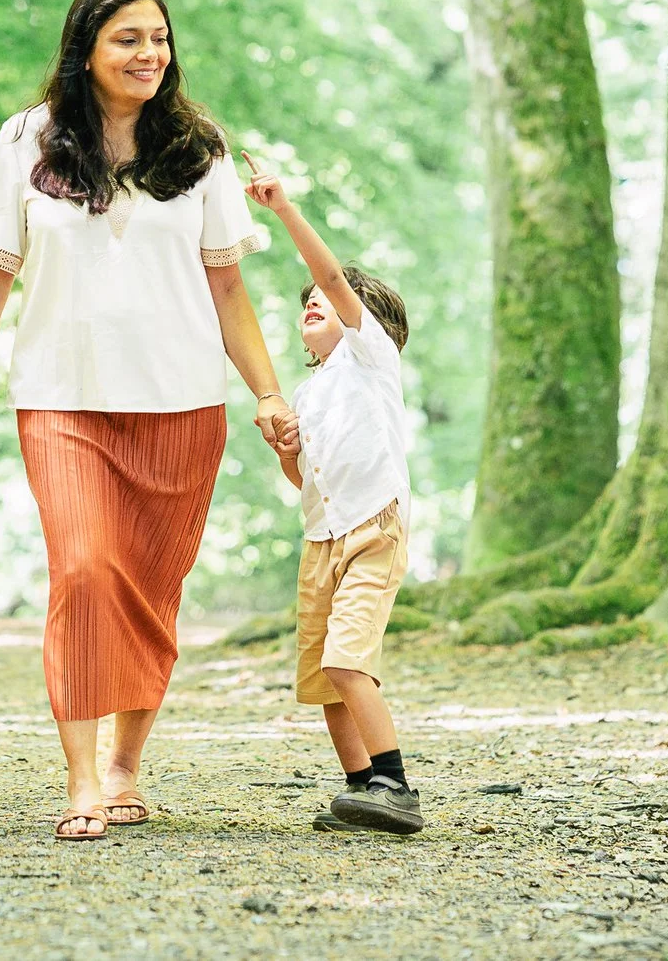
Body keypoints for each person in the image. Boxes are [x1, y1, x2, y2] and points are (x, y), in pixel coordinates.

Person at [0, 0, 287, 841]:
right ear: (86, 48)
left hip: (182, 402)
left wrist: (270, 391)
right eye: (128, 38)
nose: (149, 55)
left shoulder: (198, 149)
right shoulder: (27, 141)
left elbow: (228, 286)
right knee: (87, 571)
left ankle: (130, 760)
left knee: (152, 589)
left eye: (159, 38)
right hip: (62, 397)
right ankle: (83, 778)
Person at [242, 157, 422, 836]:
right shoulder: (313, 392)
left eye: (325, 298)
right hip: (322, 536)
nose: (313, 301)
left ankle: (397, 786)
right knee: (325, 677)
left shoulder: (370, 357)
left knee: (350, 660)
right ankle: (361, 789)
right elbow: (305, 482)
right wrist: (286, 448)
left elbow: (332, 278)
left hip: (373, 527)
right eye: (306, 304)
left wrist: (284, 208)